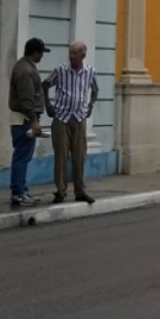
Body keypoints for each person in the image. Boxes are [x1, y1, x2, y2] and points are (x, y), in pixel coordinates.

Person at [48, 40, 101, 205]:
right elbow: (45, 85)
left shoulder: (89, 72)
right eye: (71, 52)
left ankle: (80, 191)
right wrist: (47, 105)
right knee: (61, 156)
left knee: (79, 157)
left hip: (79, 118)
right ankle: (60, 191)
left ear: (83, 55)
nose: (72, 56)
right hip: (61, 118)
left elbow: (95, 89)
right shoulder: (60, 70)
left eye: (75, 53)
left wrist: (90, 105)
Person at [7, 38, 50, 207]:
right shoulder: (25, 71)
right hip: (24, 119)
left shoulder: (24, 67)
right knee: (22, 156)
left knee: (22, 155)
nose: (42, 56)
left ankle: (21, 190)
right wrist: (33, 121)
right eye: (41, 53)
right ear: (35, 53)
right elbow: (26, 100)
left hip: (23, 118)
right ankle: (18, 193)